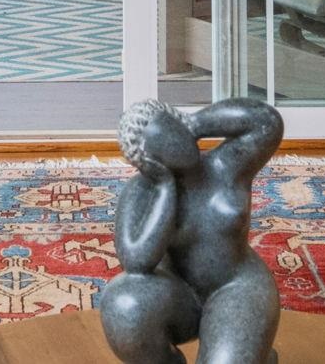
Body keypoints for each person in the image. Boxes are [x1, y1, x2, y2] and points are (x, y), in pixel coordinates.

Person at [101, 97, 284, 364]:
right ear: (149, 161)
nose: (177, 148)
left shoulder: (226, 166)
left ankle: (256, 353)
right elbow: (136, 262)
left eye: (173, 132)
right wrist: (165, 189)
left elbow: (266, 121)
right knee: (123, 303)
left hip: (236, 286)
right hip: (178, 295)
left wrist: (195, 122)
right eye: (162, 150)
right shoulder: (141, 191)